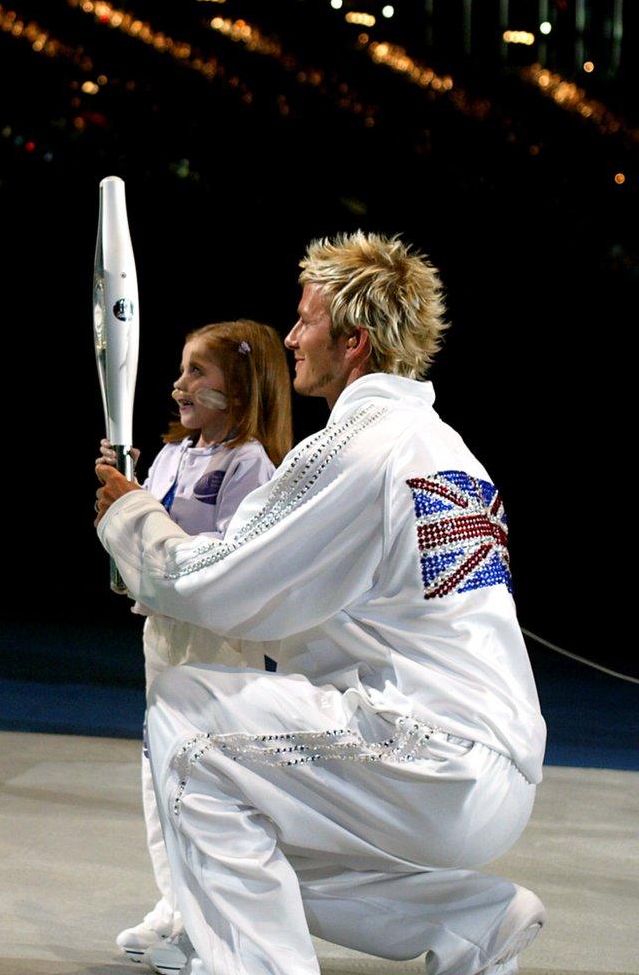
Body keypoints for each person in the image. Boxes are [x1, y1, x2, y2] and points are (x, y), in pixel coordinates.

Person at [95, 233, 546, 975]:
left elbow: (213, 582)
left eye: (306, 321)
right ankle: (473, 920)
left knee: (185, 714)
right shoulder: (447, 446)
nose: (293, 337)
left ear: (354, 342)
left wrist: (129, 515)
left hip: (423, 755)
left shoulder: (359, 446)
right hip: (491, 774)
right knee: (236, 837)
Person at [96, 319, 292, 964]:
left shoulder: (250, 466)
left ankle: (209, 918)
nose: (179, 384)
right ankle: (174, 901)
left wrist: (139, 520)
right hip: (164, 640)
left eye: (196, 373)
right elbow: (142, 546)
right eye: (181, 370)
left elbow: (229, 564)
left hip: (219, 650)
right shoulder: (172, 456)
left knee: (203, 777)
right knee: (159, 770)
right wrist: (118, 505)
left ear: (237, 391)